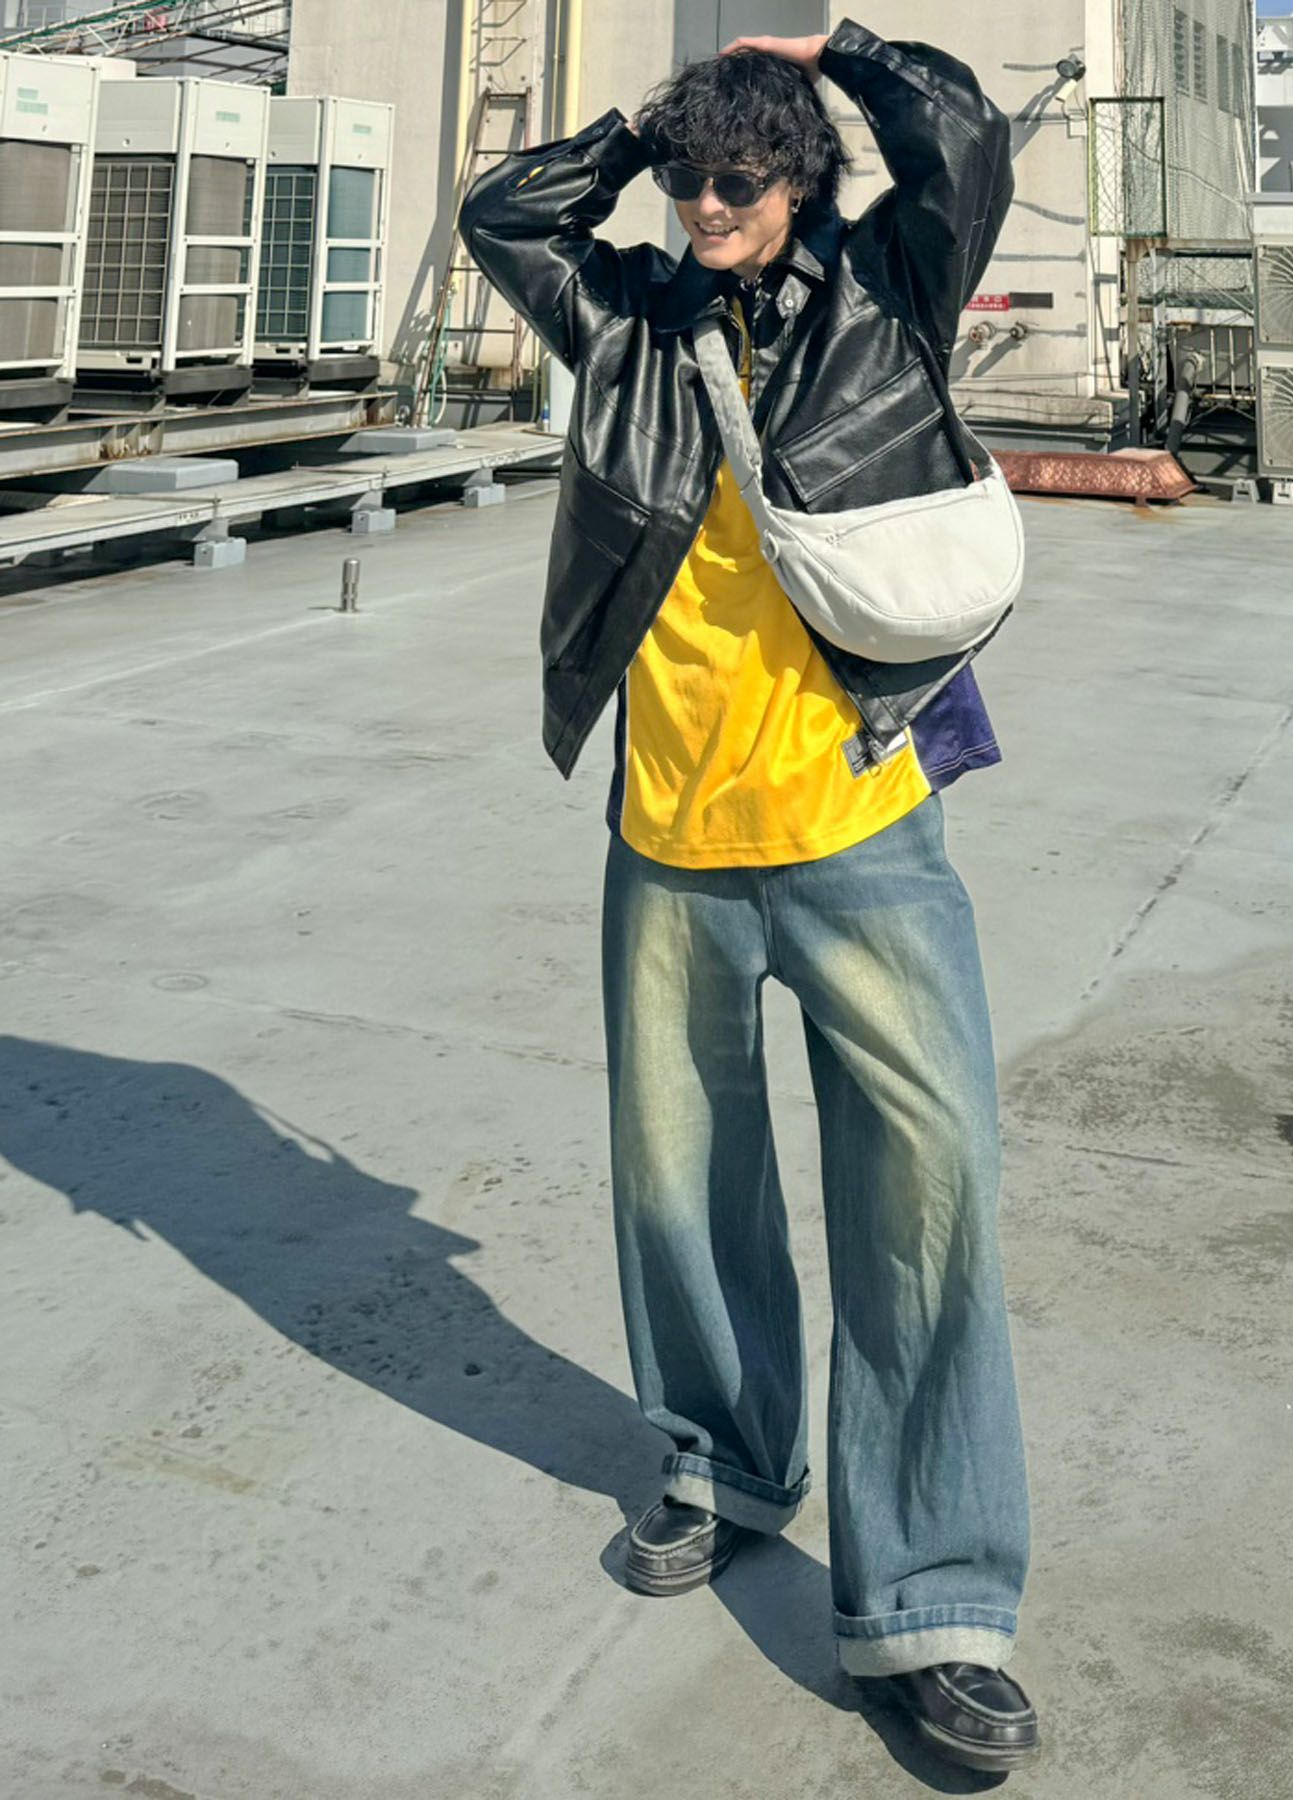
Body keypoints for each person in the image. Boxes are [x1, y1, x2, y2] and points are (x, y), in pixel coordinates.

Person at [460, 18, 1035, 1775]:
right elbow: (503, 213)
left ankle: (932, 1602)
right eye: (690, 179)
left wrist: (840, 50)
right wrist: (649, 128)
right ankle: (721, 1466)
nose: (707, 205)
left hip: (861, 828)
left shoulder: (886, 293)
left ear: (801, 182)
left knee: (928, 1203)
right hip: (669, 838)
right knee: (686, 1194)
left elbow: (963, 141)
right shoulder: (627, 320)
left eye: (739, 177)